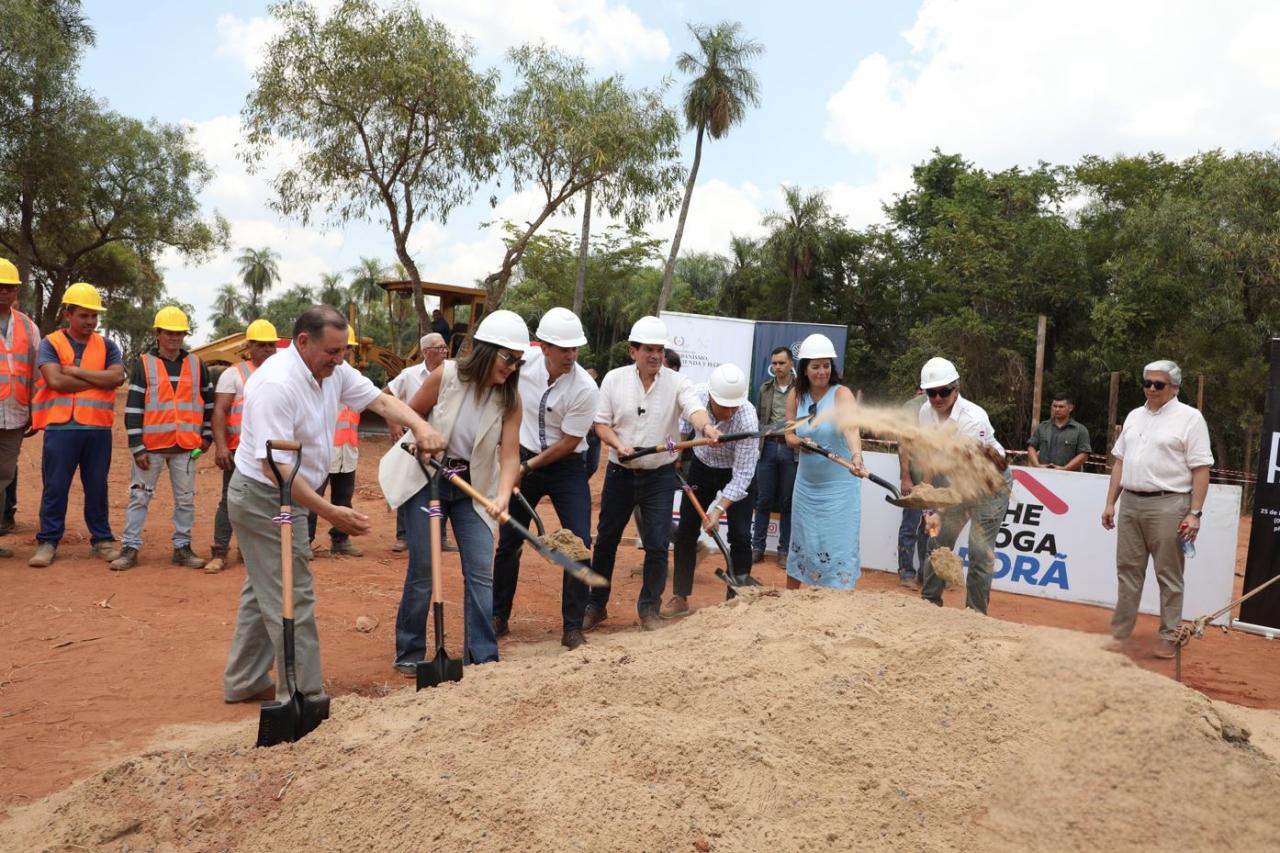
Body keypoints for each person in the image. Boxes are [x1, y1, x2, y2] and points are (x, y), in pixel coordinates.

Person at [223, 305, 443, 704]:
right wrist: (330, 512)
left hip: (291, 492)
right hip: (264, 497)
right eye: (333, 351)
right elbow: (277, 470)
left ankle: (244, 680)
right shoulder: (276, 384)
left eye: (344, 351)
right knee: (293, 592)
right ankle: (304, 696)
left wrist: (421, 425)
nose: (340, 359)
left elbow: (380, 401)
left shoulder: (332, 371)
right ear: (303, 342)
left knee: (265, 589)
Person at [393, 310, 529, 671]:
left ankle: (481, 656)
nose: (512, 368)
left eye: (518, 362)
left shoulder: (510, 399)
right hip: (429, 479)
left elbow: (511, 455)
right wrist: (422, 437)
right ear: (487, 349)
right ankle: (409, 653)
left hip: (474, 485)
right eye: (508, 359)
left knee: (481, 571)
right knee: (424, 567)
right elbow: (411, 415)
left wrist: (501, 497)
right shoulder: (446, 376)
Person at [585, 316, 719, 632]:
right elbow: (600, 424)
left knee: (658, 544)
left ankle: (649, 609)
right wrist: (619, 444)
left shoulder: (676, 382)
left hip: (659, 476)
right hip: (620, 472)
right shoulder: (614, 380)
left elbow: (693, 407)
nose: (655, 356)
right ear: (633, 351)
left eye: (659, 349)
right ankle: (596, 605)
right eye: (648, 349)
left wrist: (706, 426)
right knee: (606, 541)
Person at [492, 308, 598, 650]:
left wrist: (529, 466)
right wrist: (511, 457)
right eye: (563, 349)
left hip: (566, 465)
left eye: (575, 349)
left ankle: (572, 628)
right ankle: (498, 617)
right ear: (545, 347)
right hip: (521, 457)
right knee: (509, 541)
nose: (571, 356)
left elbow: (569, 442)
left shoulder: (585, 387)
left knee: (579, 544)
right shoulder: (523, 367)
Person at [1101, 360, 1212, 659]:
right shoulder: (1135, 415)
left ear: (1174, 387)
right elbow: (1120, 461)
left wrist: (1195, 513)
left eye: (1158, 384)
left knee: (1169, 575)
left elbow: (1201, 468)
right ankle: (1119, 634)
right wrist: (1111, 501)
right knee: (1127, 572)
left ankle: (1169, 637)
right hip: (1131, 503)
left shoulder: (1190, 418)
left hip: (1170, 504)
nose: (1151, 389)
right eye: (1147, 383)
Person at [28, 283, 125, 569]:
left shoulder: (107, 345)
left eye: (94, 316)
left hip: (97, 430)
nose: (91, 322)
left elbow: (116, 378)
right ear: (67, 314)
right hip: (61, 429)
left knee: (97, 485)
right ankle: (48, 540)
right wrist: (98, 379)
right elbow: (55, 381)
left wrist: (76, 372)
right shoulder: (51, 343)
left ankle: (102, 539)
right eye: (84, 315)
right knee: (55, 486)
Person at [111, 307, 214, 571]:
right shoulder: (144, 364)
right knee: (139, 498)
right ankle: (130, 547)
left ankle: (182, 548)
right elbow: (133, 408)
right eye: (169, 333)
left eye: (180, 334)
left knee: (186, 499)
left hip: (186, 448)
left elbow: (209, 402)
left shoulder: (197, 364)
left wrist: (207, 436)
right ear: (158, 333)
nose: (175, 338)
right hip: (152, 448)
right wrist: (137, 446)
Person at [908, 356, 1013, 614]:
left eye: (944, 391)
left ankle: (975, 615)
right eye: (931, 393)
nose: (937, 398)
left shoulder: (972, 419)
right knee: (937, 542)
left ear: (957, 389)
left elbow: (971, 475)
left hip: (989, 484)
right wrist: (926, 495)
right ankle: (929, 605)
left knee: (979, 552)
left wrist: (941, 508)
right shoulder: (925, 413)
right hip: (956, 481)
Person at [662, 363, 759, 618]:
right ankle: (680, 596)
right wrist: (676, 454)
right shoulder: (695, 397)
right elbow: (679, 432)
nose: (729, 411)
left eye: (733, 406)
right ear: (712, 397)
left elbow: (743, 475)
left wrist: (718, 510)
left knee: (740, 535)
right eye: (723, 405)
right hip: (702, 467)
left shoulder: (747, 417)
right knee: (685, 531)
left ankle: (735, 599)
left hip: (734, 472)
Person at [785, 334, 865, 589]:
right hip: (806, 485)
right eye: (815, 366)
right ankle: (789, 605)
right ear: (805, 369)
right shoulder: (796, 396)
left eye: (826, 365)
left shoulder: (842, 394)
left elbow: (852, 429)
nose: (822, 371)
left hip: (839, 488)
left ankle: (838, 604)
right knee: (802, 541)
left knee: (837, 542)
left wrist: (856, 456)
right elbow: (788, 435)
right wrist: (799, 442)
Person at [207, 319, 279, 573]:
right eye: (262, 345)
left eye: (272, 345)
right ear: (249, 347)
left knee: (266, 501)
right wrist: (220, 447)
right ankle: (219, 551)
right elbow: (220, 411)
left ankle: (250, 551)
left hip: (271, 451)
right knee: (230, 499)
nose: (268, 350)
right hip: (240, 451)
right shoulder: (233, 374)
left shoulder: (282, 373)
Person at [384, 332, 449, 552]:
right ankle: (403, 536)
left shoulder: (451, 374)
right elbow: (386, 396)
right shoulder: (409, 374)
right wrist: (394, 425)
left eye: (444, 348)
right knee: (408, 483)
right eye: (438, 348)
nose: (444, 352)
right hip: (412, 441)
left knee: (441, 486)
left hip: (440, 441)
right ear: (425, 352)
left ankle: (439, 536)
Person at [306, 324, 363, 558]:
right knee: (312, 499)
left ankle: (340, 539)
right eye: (341, 347)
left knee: (343, 499)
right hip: (324, 452)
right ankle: (303, 541)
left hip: (347, 451)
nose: (345, 353)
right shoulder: (322, 378)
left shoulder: (352, 378)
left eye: (348, 348)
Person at [0, 259, 39, 559]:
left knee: (3, 476)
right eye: (0, 287)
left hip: (14, 414)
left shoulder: (27, 326)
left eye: (9, 287)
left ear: (16, 291)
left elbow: (37, 374)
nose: (4, 291)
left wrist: (36, 411)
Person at [751, 346, 797, 567]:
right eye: (775, 363)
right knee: (764, 499)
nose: (777, 367)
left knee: (788, 502)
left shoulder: (800, 390)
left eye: (781, 363)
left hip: (791, 449)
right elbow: (759, 419)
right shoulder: (764, 389)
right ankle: (757, 547)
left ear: (790, 364)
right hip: (767, 447)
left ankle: (784, 551)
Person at [897, 388, 928, 587]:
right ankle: (906, 572)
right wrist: (906, 477)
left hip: (936, 480)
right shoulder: (912, 407)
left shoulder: (949, 407)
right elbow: (904, 445)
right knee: (911, 526)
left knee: (931, 528)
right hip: (915, 479)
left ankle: (926, 574)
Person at [1027, 392, 1092, 470]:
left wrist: (1065, 468)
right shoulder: (1042, 427)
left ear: (1070, 408)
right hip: (1043, 475)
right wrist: (1037, 465)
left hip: (1070, 477)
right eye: (1055, 406)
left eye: (1061, 407)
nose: (1057, 409)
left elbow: (1084, 454)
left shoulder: (1080, 430)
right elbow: (1031, 447)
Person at [583, 366, 602, 479]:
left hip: (595, 433)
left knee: (592, 466)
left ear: (595, 376)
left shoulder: (598, 391)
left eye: (591, 374)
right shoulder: (576, 390)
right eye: (587, 374)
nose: (589, 376)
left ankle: (582, 484)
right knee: (581, 465)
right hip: (581, 434)